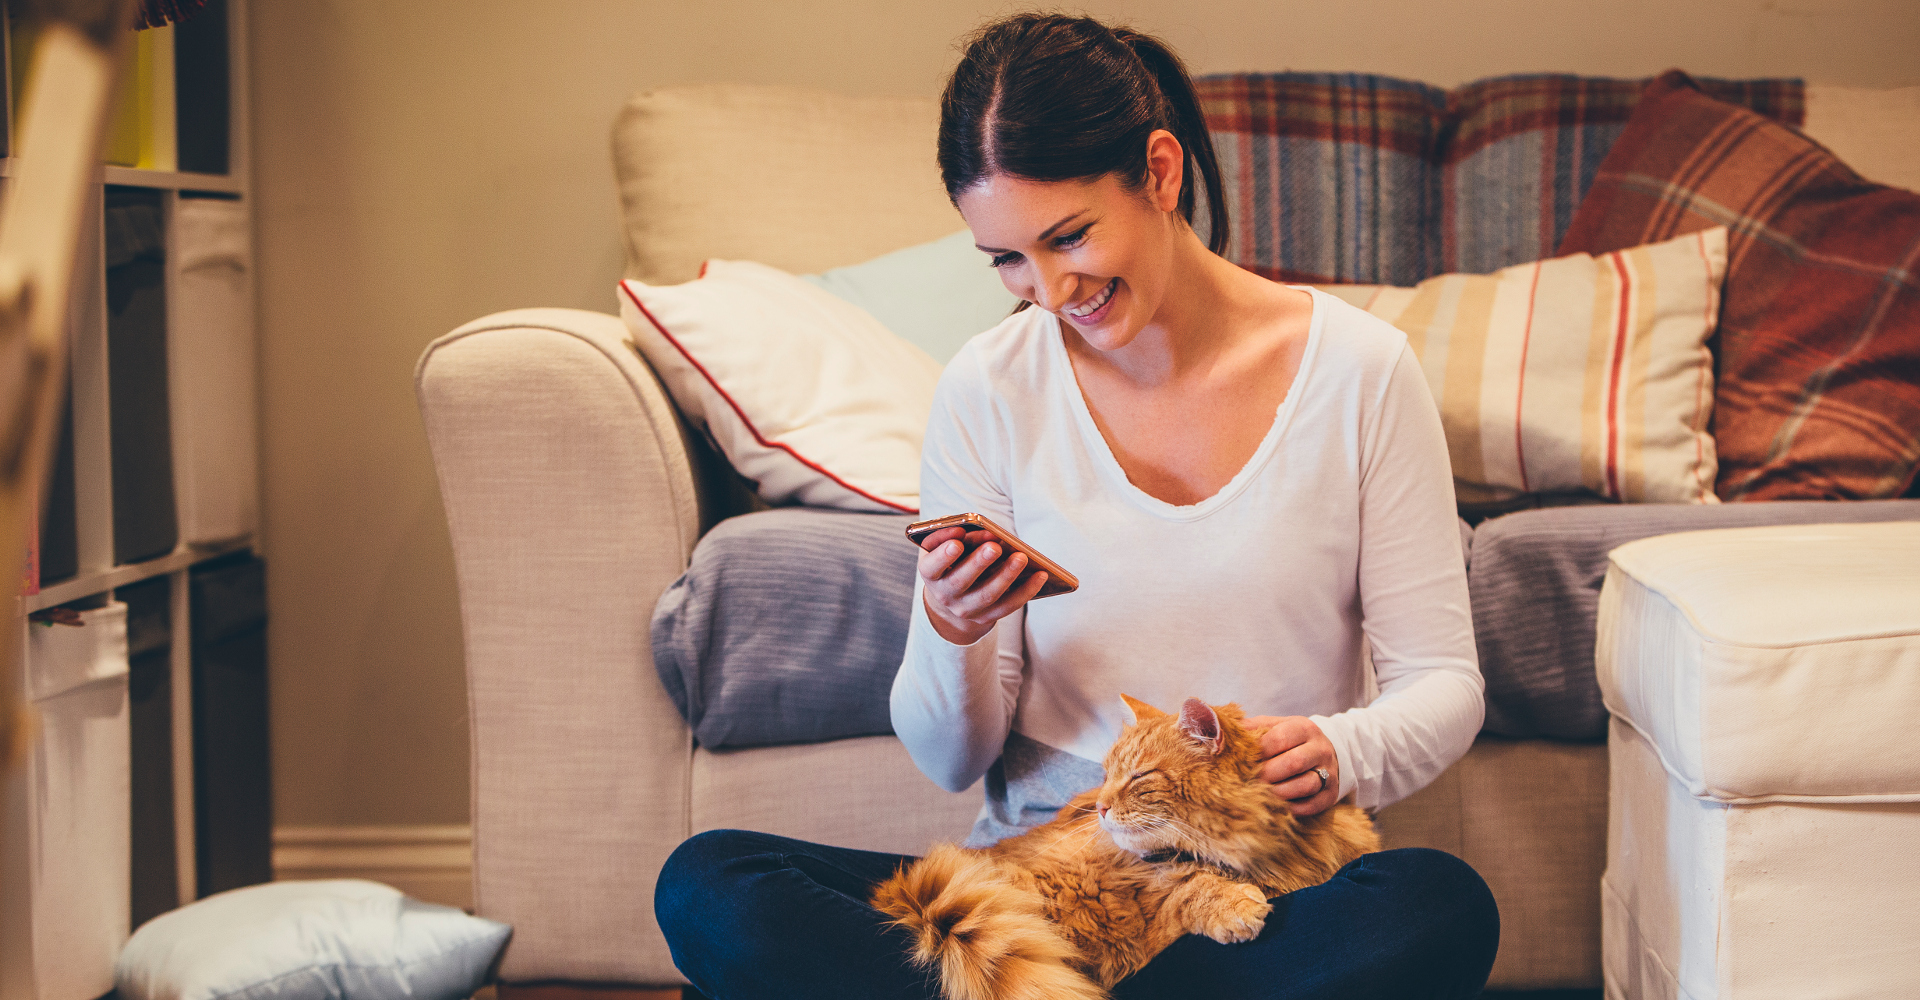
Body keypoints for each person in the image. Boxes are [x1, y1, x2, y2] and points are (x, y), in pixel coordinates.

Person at [656, 13, 1498, 998]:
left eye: (1069, 236)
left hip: (1247, 893)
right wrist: (950, 624)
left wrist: (1345, 749)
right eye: (1008, 259)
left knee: (1437, 903)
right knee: (713, 885)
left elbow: (1444, 681)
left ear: (1161, 170)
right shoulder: (987, 387)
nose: (1050, 290)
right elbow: (950, 757)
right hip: (1043, 892)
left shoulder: (1359, 372)